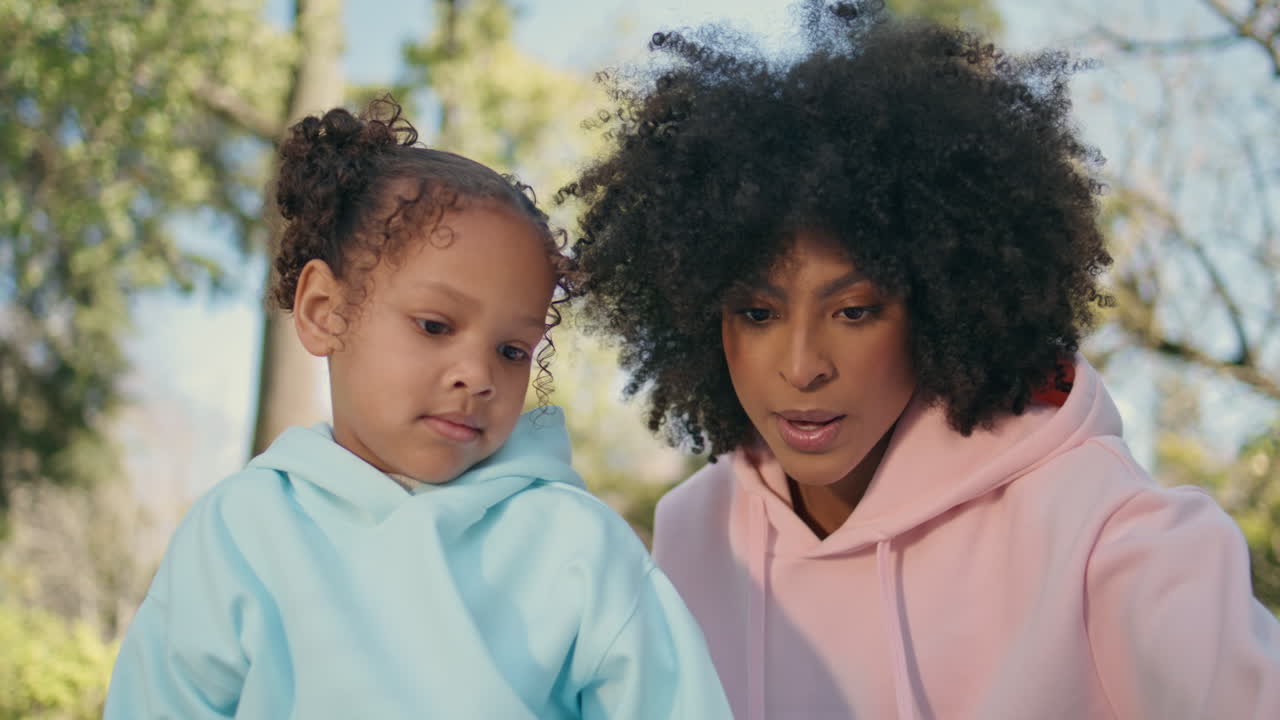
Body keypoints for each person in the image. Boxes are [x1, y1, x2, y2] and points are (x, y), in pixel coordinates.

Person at [561, 2, 1280, 718]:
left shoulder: (1099, 525)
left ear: (938, 310)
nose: (803, 367)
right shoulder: (697, 533)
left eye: (854, 311)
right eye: (757, 314)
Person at [104, 98, 731, 719]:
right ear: (324, 311)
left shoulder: (580, 547)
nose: (478, 376)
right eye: (435, 326)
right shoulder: (241, 531)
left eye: (512, 351)